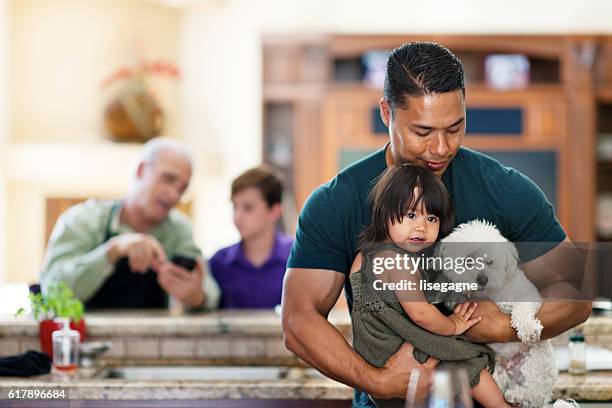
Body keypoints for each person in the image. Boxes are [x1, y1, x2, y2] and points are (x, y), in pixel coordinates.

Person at [281, 41, 592, 406]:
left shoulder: (507, 190)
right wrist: (377, 381)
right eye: (423, 132)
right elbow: (298, 320)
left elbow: (577, 294)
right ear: (386, 113)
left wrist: (501, 327)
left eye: (455, 128)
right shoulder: (336, 201)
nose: (441, 148)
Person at [350, 164, 508, 407]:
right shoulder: (398, 262)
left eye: (431, 218)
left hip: (374, 358)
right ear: (384, 213)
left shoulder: (364, 256)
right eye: (411, 215)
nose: (422, 226)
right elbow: (422, 314)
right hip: (397, 356)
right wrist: (453, 325)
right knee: (466, 358)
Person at [40, 138, 220, 310]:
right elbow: (53, 291)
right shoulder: (82, 220)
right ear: (141, 170)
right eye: (168, 179)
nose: (174, 195)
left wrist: (198, 297)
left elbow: (210, 290)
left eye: (182, 189)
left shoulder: (179, 229)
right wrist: (113, 250)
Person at [209, 166, 293, 308]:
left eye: (248, 208)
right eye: (235, 207)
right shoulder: (219, 262)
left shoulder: (299, 258)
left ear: (274, 211)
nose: (238, 216)